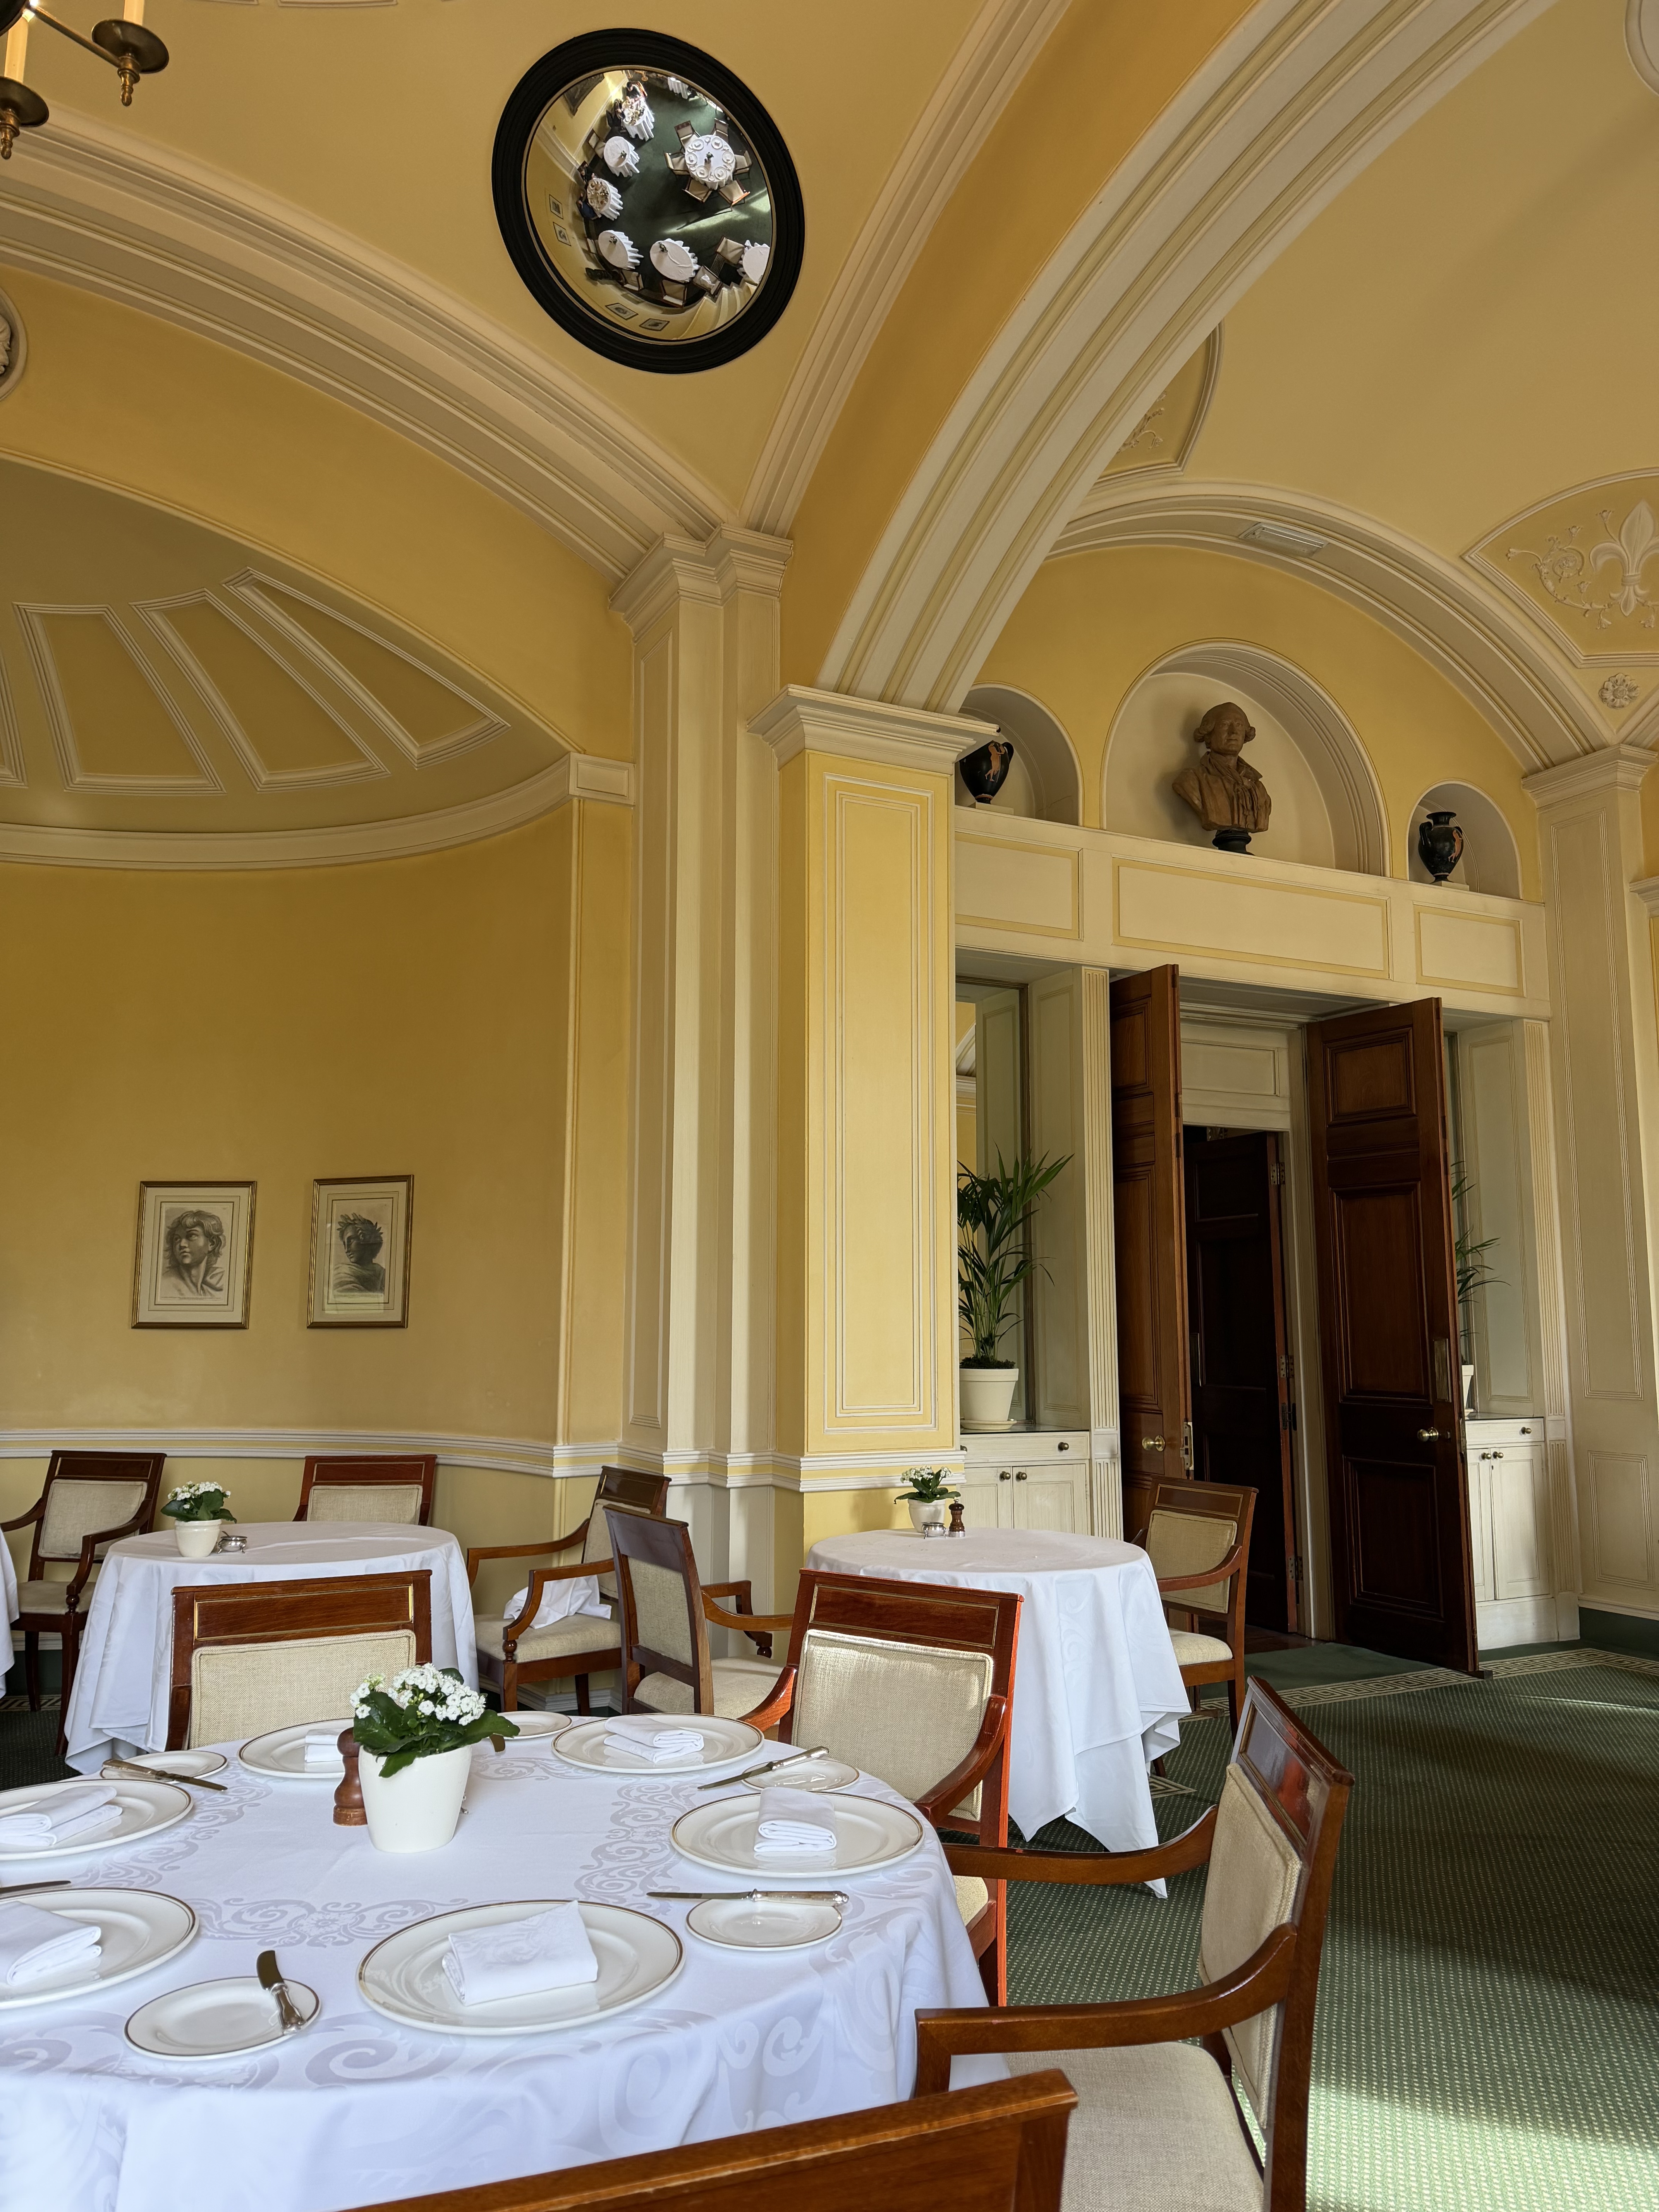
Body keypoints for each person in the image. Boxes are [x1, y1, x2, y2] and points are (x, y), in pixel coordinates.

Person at [1172, 699, 1273, 850]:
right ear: (1208, 736)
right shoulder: (1191, 781)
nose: (1233, 732)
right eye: (1225, 725)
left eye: (1239, 726)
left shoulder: (1258, 789)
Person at [160, 1208, 227, 1300]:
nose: (182, 1244)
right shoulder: (165, 1285)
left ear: (212, 1243)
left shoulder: (214, 1290)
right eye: (177, 1239)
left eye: (191, 1236)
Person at [332, 1212, 387, 1297]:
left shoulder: (382, 1273)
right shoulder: (342, 1273)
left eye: (351, 1241)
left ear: (366, 1240)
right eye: (345, 1244)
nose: (347, 1250)